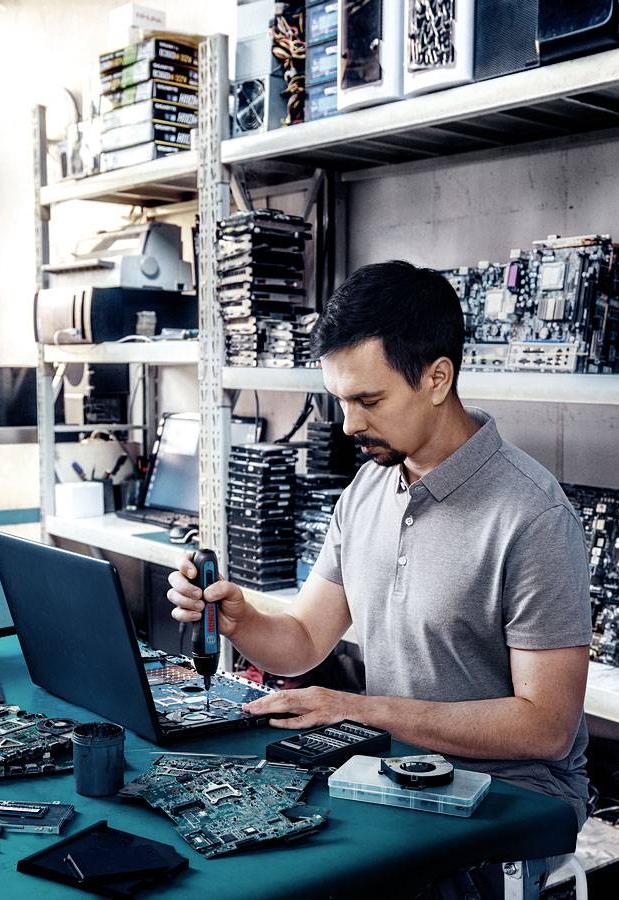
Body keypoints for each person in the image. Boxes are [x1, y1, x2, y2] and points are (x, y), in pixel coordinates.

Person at [167, 260, 593, 831]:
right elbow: (304, 640)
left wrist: (358, 710)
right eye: (340, 400)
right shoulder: (368, 487)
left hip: (510, 796)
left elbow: (546, 727)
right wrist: (240, 621)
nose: (348, 425)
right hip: (394, 766)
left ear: (437, 379)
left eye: (368, 400)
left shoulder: (534, 516)